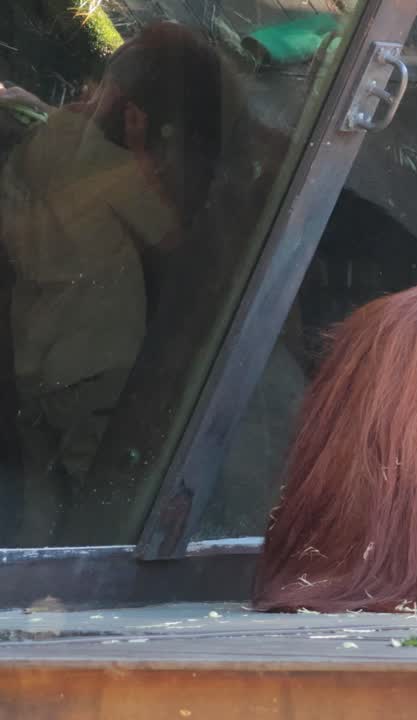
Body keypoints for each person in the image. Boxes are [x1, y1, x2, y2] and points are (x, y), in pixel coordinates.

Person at [0, 22, 239, 544]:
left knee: (37, 485)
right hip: (93, 366)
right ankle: (80, 576)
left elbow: (54, 158)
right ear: (137, 120)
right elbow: (178, 242)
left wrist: (43, 110)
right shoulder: (126, 178)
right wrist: (150, 164)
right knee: (89, 483)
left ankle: (26, 572)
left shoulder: (53, 137)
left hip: (32, 356)